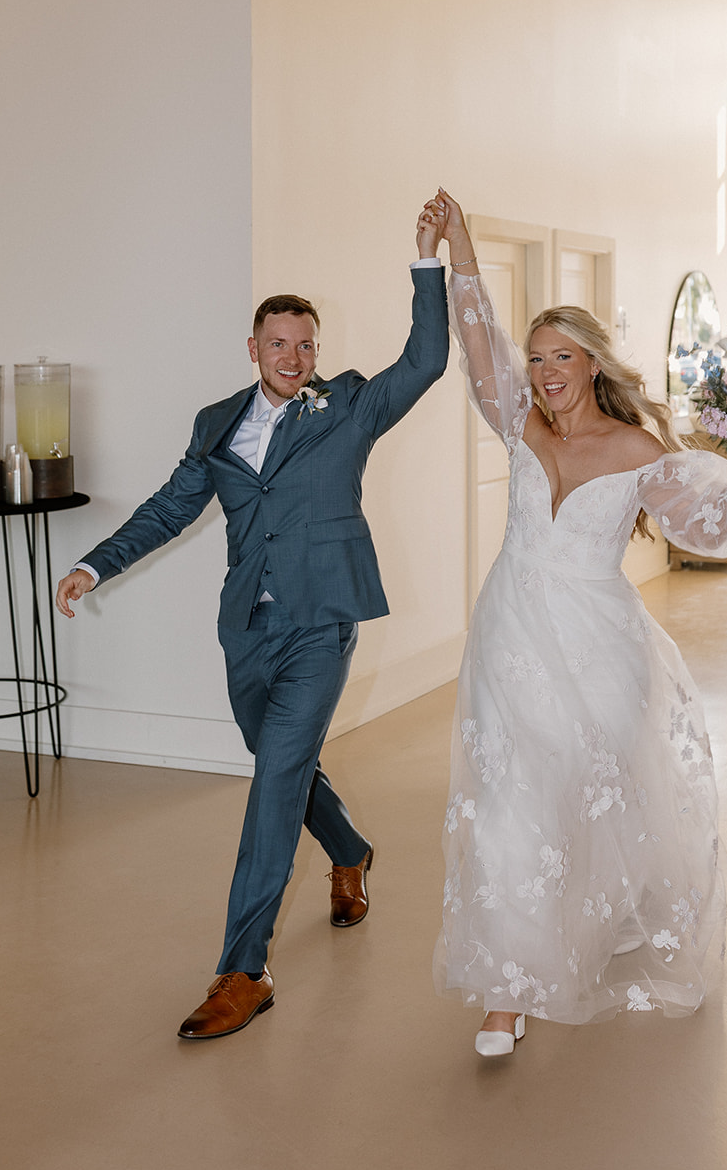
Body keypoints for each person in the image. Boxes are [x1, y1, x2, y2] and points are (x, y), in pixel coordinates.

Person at [55, 198, 449, 1041]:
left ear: (317, 351)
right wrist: (95, 563)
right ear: (253, 348)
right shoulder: (216, 423)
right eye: (279, 343)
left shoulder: (345, 407)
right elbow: (171, 508)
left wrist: (426, 259)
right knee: (287, 769)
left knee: (272, 781)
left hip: (322, 622)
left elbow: (425, 359)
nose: (294, 356)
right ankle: (349, 852)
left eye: (306, 344)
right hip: (248, 629)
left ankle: (244, 968)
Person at [428, 190, 727, 1057]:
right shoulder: (519, 427)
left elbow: (700, 530)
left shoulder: (636, 451)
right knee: (511, 802)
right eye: (538, 355)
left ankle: (606, 916)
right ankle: (506, 994)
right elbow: (477, 345)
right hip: (510, 637)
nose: (545, 369)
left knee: (596, 793)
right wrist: (460, 251)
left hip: (600, 648)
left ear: (592, 364)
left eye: (563, 355)